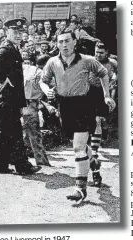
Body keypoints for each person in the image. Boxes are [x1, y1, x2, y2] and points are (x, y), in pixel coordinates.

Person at [39, 30, 116, 202]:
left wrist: (106, 95)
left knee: (77, 147)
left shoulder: (87, 60)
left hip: (83, 105)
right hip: (64, 106)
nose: (64, 45)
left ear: (75, 42)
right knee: (77, 145)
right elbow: (43, 80)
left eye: (67, 41)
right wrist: (47, 90)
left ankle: (80, 188)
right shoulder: (52, 62)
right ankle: (94, 163)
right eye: (60, 42)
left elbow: (104, 73)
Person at [0, 19, 41, 175]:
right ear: (7, 33)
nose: (18, 35)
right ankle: (22, 166)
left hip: (10, 98)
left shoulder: (12, 48)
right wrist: (5, 80)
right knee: (14, 131)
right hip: (7, 98)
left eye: (20, 33)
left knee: (5, 132)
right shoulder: (6, 48)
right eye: (15, 32)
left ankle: (0, 166)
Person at [22, 54, 51, 166]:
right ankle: (42, 162)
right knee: (35, 136)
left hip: (22, 104)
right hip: (30, 105)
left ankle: (16, 159)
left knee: (25, 135)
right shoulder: (42, 74)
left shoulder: (27, 68)